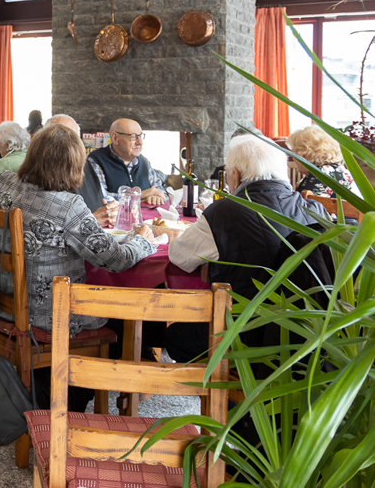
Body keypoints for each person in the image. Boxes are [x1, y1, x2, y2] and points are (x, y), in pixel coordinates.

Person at [0, 124, 155, 411]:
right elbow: (114, 260)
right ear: (74, 164)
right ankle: (68, 400)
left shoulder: (1, 182)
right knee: (118, 319)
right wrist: (144, 242)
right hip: (48, 318)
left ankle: (49, 389)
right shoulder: (69, 206)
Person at [167, 135, 328, 363]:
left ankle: (222, 395)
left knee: (175, 335)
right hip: (307, 335)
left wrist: (210, 258)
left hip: (240, 334)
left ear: (235, 175)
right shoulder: (315, 210)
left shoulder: (223, 211)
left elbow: (179, 257)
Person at [45, 114, 119, 228]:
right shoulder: (41, 174)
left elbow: (102, 197)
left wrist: (112, 209)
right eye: (57, 138)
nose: (65, 145)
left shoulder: (86, 164)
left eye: (72, 138)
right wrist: (91, 219)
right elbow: (48, 228)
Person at [87, 118, 167, 205]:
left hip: (146, 217)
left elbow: (159, 191)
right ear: (115, 138)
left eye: (140, 136)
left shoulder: (144, 162)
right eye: (133, 136)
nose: (140, 142)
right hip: (115, 218)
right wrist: (139, 196)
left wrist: (155, 197)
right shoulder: (96, 160)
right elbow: (101, 197)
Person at [287, 125, 360, 197]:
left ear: (303, 155)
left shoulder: (315, 178)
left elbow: (297, 207)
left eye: (293, 152)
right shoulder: (342, 171)